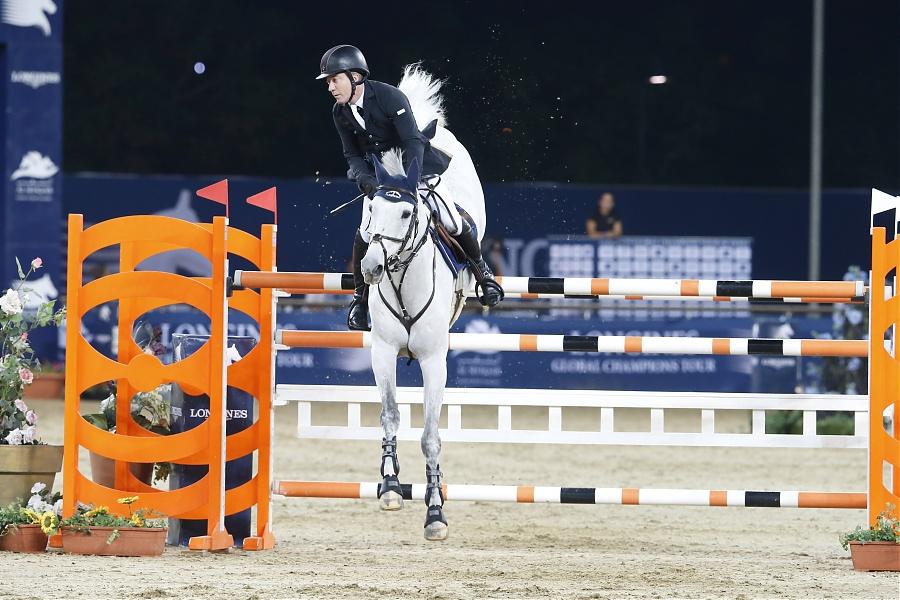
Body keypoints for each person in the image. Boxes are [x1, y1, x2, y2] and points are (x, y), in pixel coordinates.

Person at [318, 44, 500, 331]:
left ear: (355, 77)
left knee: (451, 219)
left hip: (417, 167)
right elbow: (351, 154)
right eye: (328, 82)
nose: (330, 87)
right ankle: (360, 301)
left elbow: (413, 141)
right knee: (365, 231)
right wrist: (366, 180)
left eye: (334, 80)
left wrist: (411, 181)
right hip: (383, 177)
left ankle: (484, 274)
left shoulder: (389, 97)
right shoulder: (339, 112)